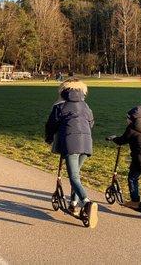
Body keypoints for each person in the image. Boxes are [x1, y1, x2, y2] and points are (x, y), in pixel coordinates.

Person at [45, 78, 98, 228]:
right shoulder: (85, 105)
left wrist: (49, 137)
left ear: (64, 91)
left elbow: (51, 125)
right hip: (86, 143)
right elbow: (91, 122)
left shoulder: (60, 106)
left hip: (70, 144)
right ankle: (73, 204)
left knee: (73, 176)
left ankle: (86, 202)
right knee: (76, 176)